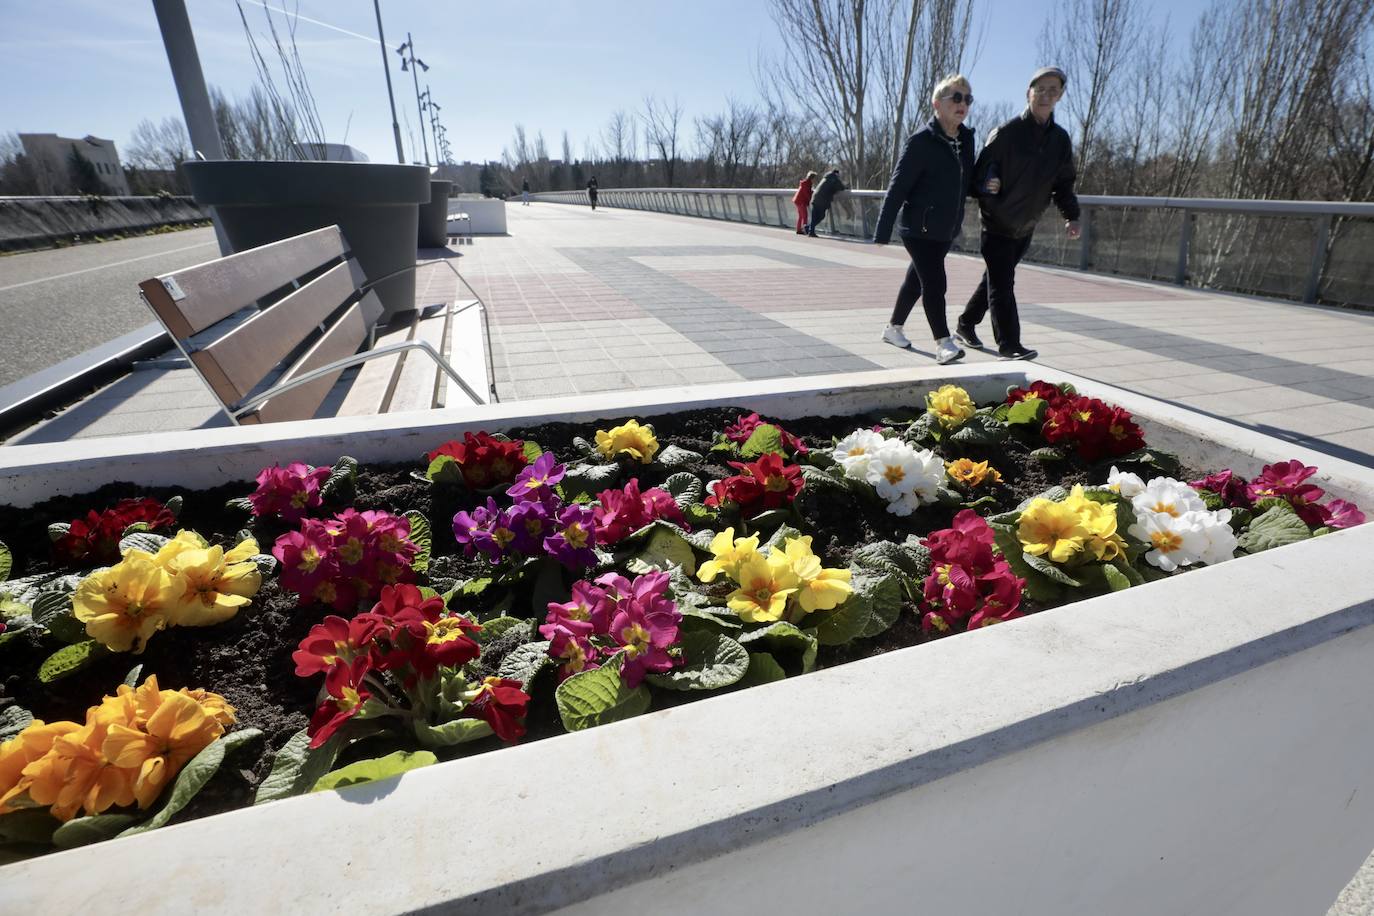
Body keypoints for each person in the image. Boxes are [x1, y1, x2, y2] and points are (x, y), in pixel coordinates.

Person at [953, 66, 1081, 361]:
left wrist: (1071, 215)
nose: (1046, 95)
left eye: (1053, 90)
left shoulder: (1060, 140)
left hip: (1026, 225)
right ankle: (1009, 344)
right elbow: (977, 178)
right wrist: (989, 184)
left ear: (1060, 96)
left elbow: (1063, 183)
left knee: (995, 279)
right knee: (1002, 284)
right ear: (1028, 93)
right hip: (997, 223)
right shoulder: (1006, 133)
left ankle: (965, 324)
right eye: (1041, 89)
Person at [872, 74, 987, 365]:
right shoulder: (921, 142)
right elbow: (898, 187)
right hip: (918, 227)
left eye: (967, 99)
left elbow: (968, 182)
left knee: (917, 280)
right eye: (956, 97)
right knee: (935, 282)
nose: (963, 104)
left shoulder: (966, 140)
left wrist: (990, 184)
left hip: (946, 228)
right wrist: (882, 231)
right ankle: (943, 343)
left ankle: (892, 329)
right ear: (937, 103)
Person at [806, 168, 846, 236]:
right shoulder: (834, 178)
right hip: (822, 200)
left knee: (814, 217)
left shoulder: (826, 177)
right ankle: (809, 230)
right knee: (821, 216)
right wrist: (845, 186)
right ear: (836, 174)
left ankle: (809, 229)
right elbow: (841, 187)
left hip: (815, 198)